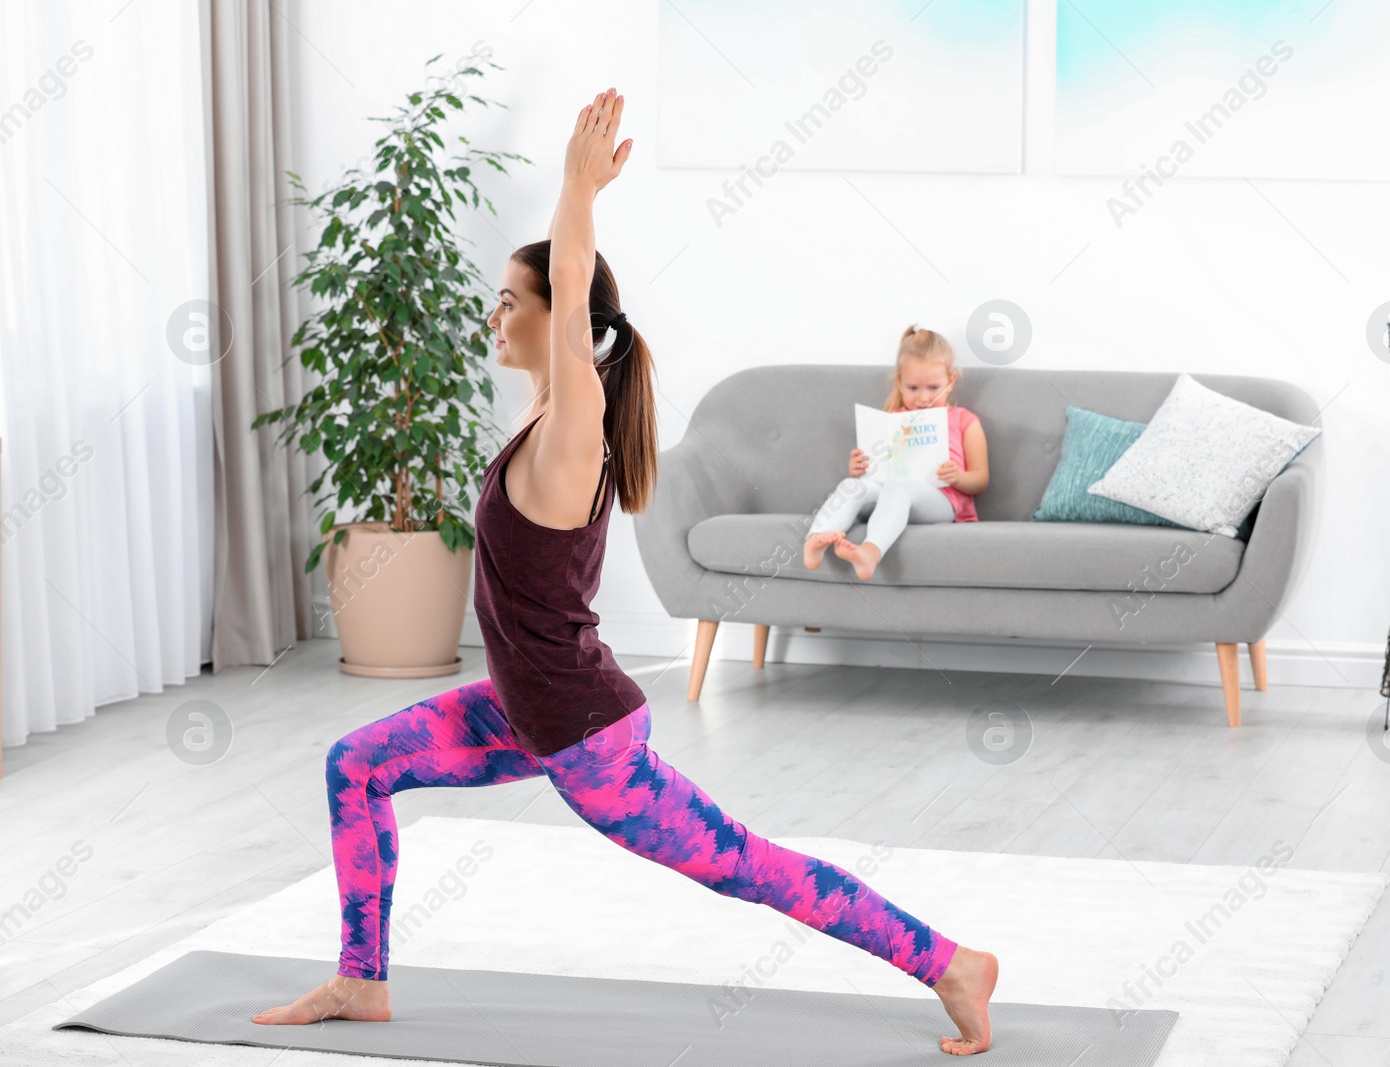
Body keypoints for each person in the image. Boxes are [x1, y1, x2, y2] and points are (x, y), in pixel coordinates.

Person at [252, 87, 1000, 1056]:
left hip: (586, 736)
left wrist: (575, 189)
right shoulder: (538, 422)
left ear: (560, 314)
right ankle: (361, 980)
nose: (494, 316)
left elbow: (570, 297)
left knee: (746, 863)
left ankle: (947, 959)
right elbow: (562, 316)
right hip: (527, 706)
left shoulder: (574, 432)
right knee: (354, 765)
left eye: (510, 300)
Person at [804, 328, 989, 581]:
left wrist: (958, 477)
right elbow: (876, 474)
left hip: (943, 501)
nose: (923, 398)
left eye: (933, 388)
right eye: (913, 388)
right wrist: (859, 468)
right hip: (890, 494)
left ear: (951, 381)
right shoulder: (890, 421)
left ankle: (870, 551)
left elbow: (981, 480)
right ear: (899, 382)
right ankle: (815, 540)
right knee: (851, 486)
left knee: (898, 486)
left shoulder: (964, 420)